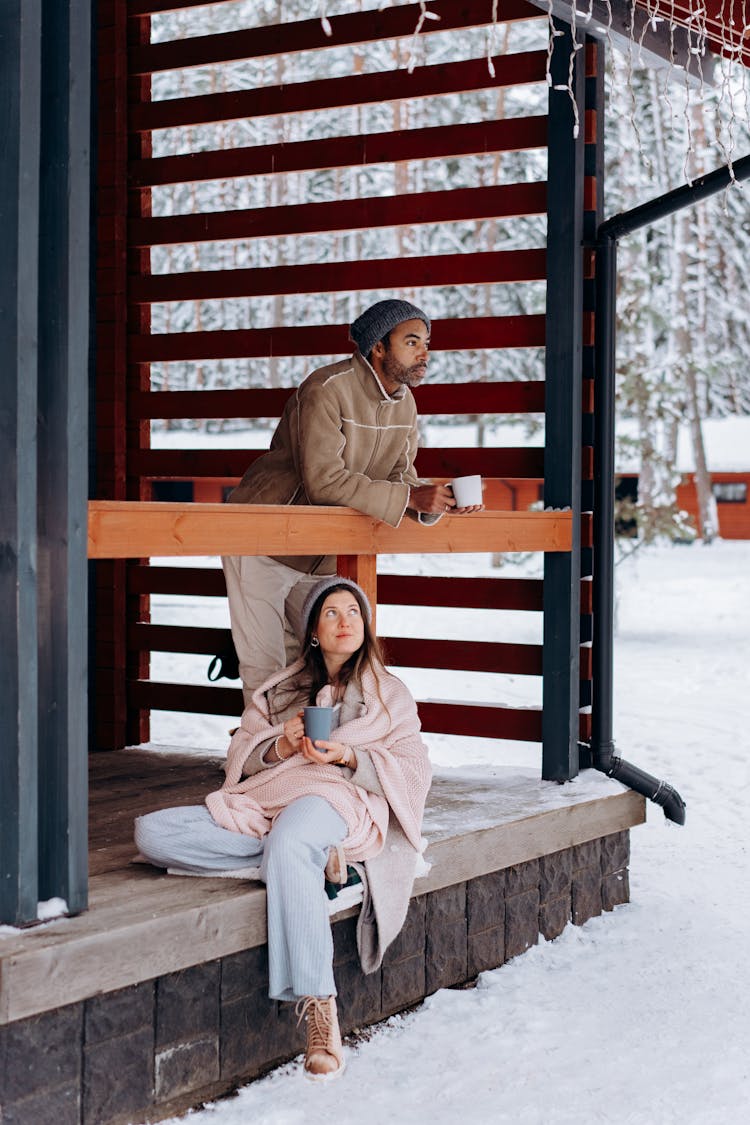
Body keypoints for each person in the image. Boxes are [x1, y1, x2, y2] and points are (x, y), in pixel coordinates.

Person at [135, 576, 431, 1082]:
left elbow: (414, 765)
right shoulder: (277, 692)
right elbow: (241, 758)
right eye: (333, 613)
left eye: (354, 613)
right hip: (269, 803)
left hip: (333, 797)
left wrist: (351, 754)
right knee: (153, 834)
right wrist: (281, 746)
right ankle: (313, 862)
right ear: (313, 630)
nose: (346, 622)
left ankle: (320, 1007)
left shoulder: (388, 693)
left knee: (294, 840)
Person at [221, 298, 481, 704]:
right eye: (411, 342)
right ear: (378, 346)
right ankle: (263, 763)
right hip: (263, 542)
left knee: (323, 662)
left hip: (322, 552)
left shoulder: (406, 404)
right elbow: (324, 481)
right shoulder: (326, 390)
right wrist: (409, 495)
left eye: (426, 342)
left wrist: (434, 502)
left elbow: (400, 477)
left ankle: (310, 758)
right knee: (267, 666)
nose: (424, 353)